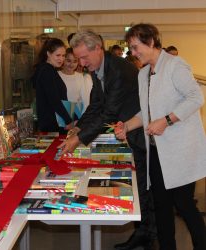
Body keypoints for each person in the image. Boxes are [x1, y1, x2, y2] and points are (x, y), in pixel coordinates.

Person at [58, 30, 156, 250]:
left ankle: (148, 235)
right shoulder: (97, 68)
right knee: (140, 185)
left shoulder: (118, 71)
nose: (81, 63)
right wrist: (78, 128)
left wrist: (80, 139)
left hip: (140, 131)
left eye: (84, 57)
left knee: (144, 187)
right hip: (128, 130)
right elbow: (96, 104)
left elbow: (109, 113)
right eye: (78, 58)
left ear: (98, 49)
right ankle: (144, 233)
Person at [115, 23, 206, 250]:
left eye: (136, 48)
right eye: (131, 49)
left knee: (185, 206)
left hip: (180, 152)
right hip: (157, 151)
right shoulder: (143, 73)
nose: (133, 53)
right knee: (162, 207)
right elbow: (145, 114)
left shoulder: (175, 66)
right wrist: (127, 126)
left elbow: (196, 98)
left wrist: (166, 121)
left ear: (152, 41)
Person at [32, 38, 73, 133]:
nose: (61, 59)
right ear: (48, 54)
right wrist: (68, 120)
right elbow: (54, 100)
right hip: (53, 124)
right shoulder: (47, 71)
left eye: (63, 56)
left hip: (53, 122)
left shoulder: (48, 69)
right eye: (58, 55)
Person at [58, 47, 92, 115]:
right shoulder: (56, 75)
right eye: (68, 61)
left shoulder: (82, 77)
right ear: (63, 60)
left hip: (76, 116)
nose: (71, 64)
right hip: (58, 115)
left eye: (75, 61)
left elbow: (86, 102)